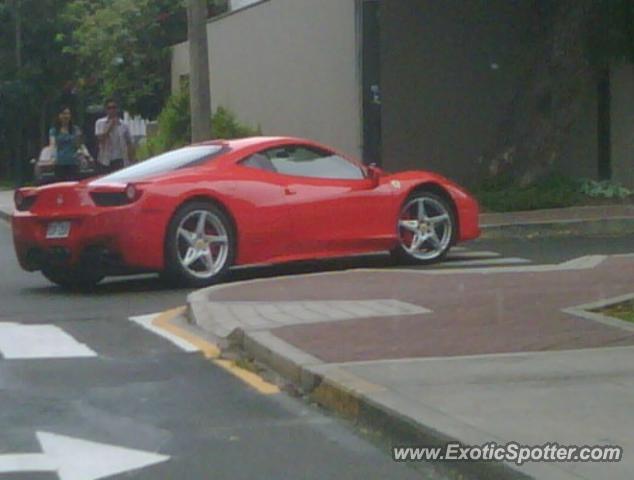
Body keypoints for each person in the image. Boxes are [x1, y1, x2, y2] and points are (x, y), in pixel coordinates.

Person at [95, 98, 136, 173]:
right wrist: (110, 126)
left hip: (119, 158)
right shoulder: (100, 123)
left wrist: (131, 159)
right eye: (109, 108)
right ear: (106, 110)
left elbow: (129, 142)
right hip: (105, 159)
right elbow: (100, 139)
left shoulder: (123, 125)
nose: (112, 110)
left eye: (114, 107)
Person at [49, 106, 82, 182]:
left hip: (73, 162)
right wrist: (53, 158)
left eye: (68, 114)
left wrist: (78, 137)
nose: (66, 116)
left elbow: (78, 146)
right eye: (64, 114)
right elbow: (53, 145)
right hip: (60, 163)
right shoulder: (54, 130)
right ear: (59, 116)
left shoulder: (75, 129)